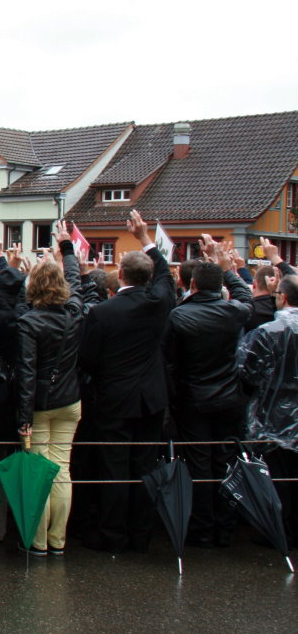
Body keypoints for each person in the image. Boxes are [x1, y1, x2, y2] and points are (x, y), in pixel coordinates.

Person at [78, 209, 175, 554]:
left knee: (114, 467)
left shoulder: (102, 312)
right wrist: (146, 238)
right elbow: (165, 274)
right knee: (146, 466)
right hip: (150, 397)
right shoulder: (159, 301)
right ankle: (141, 534)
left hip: (113, 397)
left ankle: (112, 534)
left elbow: (87, 358)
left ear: (118, 275)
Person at [164, 237, 251, 549]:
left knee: (200, 464)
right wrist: (228, 270)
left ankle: (202, 529)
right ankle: (225, 527)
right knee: (225, 461)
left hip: (194, 399)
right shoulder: (234, 312)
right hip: (229, 397)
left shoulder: (179, 315)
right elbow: (246, 296)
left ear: (193, 286)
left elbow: (170, 364)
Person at [14, 221, 90, 557]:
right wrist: (67, 250)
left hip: (41, 405)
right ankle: (58, 540)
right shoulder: (74, 313)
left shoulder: (28, 323)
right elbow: (76, 284)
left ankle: (39, 541)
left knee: (40, 473)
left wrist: (23, 416)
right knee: (62, 471)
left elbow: (27, 373)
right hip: (70, 400)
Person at [238, 275, 298, 547]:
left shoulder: (268, 331)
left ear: (282, 297)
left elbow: (248, 373)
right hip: (282, 413)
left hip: (271, 415)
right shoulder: (270, 330)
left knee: (276, 474)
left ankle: (278, 529)